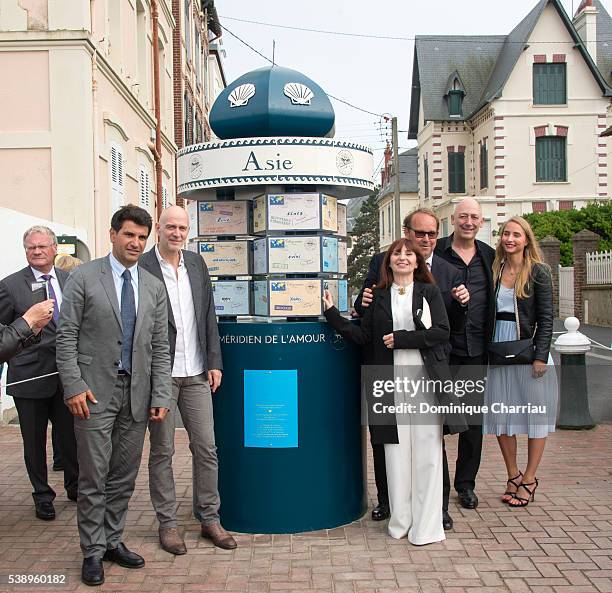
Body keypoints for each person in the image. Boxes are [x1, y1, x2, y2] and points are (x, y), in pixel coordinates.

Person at [56, 205, 172, 587]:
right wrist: (72, 384)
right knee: (94, 475)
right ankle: (91, 551)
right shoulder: (85, 277)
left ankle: (112, 541)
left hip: (136, 394)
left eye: (141, 237)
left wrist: (160, 393)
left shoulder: (153, 286)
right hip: (92, 394)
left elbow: (158, 345)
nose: (135, 243)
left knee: (123, 476)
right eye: (128, 235)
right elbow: (66, 334)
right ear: (112, 234)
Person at [324, 237, 453, 546]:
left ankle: (427, 525)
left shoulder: (430, 292)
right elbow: (363, 335)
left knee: (427, 453)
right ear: (389, 261)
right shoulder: (379, 296)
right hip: (386, 381)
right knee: (394, 454)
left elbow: (442, 332)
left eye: (409, 254)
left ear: (418, 261)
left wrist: (403, 338)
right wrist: (331, 314)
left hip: (424, 381)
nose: (403, 258)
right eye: (398, 253)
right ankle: (401, 520)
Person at [354, 208, 469, 530]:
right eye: (420, 233)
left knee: (430, 442)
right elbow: (364, 309)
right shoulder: (382, 261)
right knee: (386, 438)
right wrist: (354, 305)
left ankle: (438, 508)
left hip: (430, 367)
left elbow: (452, 326)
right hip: (386, 369)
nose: (426, 239)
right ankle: (389, 502)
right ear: (407, 233)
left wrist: (462, 305)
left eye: (432, 234)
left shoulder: (448, 272)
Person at [139, 205, 233, 555]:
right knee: (162, 451)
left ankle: (209, 518)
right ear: (158, 230)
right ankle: (168, 524)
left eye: (183, 227)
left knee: (206, 448)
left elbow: (208, 315)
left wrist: (214, 361)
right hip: (159, 376)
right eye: (171, 227)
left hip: (196, 373)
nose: (177, 233)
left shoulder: (196, 263)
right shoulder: (143, 266)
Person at [0, 226, 79, 521]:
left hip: (66, 375)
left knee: (71, 437)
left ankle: (75, 486)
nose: (37, 251)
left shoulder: (71, 280)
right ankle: (42, 495)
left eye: (42, 246)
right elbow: (4, 334)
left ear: (55, 248)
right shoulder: (9, 286)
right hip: (29, 377)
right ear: (25, 250)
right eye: (31, 247)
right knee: (34, 443)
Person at [483, 216, 556, 507]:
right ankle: (512, 474)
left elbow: (547, 319)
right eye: (505, 234)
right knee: (502, 414)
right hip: (498, 348)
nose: (509, 239)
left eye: (516, 234)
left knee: (534, 416)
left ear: (526, 239)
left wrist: (540, 356)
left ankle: (530, 479)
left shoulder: (539, 271)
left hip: (527, 349)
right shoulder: (495, 270)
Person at [435, 198, 495, 512]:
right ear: (453, 220)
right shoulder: (437, 252)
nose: (468, 222)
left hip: (476, 351)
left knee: (472, 424)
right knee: (439, 422)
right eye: (463, 217)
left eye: (474, 217)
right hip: (444, 350)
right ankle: (438, 484)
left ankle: (465, 486)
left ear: (481, 222)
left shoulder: (489, 256)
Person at [51, 253, 83, 471]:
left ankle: (64, 464)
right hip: (45, 369)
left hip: (70, 368)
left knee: (64, 420)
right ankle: (61, 459)